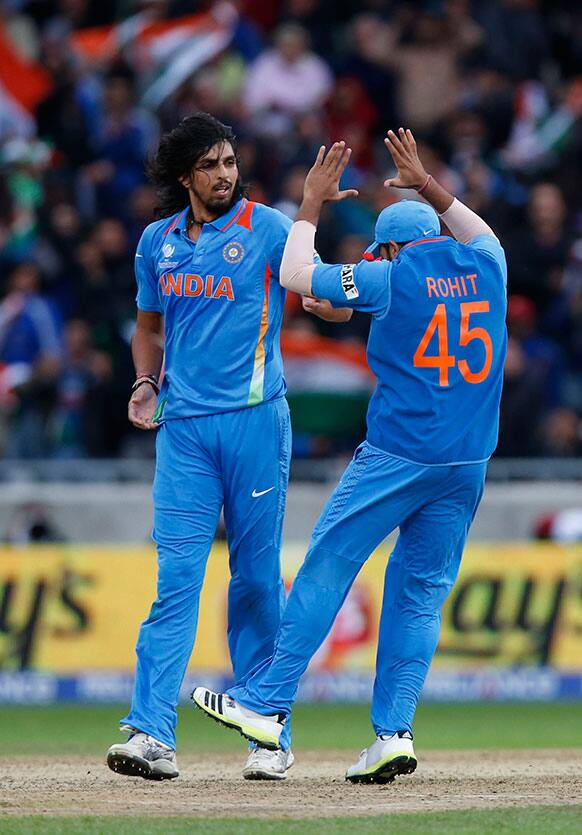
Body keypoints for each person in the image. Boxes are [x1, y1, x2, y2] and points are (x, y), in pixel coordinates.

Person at [192, 128, 508, 783]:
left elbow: (296, 275)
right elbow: (471, 231)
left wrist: (308, 203)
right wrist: (427, 181)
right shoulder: (487, 264)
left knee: (327, 568)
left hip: (398, 453)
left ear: (391, 246)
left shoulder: (393, 274)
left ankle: (264, 706)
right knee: (418, 597)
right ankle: (392, 733)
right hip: (467, 463)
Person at [106, 112, 350, 782]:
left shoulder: (267, 227)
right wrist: (145, 380)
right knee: (176, 581)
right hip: (183, 432)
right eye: (210, 164)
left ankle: (269, 733)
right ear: (184, 174)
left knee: (254, 582)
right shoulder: (156, 242)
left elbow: (312, 284)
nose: (225, 174)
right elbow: (148, 327)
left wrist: (336, 294)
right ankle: (152, 733)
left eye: (230, 161)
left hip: (253, 423)